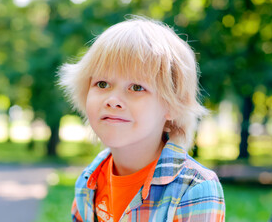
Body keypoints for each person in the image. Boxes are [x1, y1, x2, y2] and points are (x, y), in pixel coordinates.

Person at [59, 16, 225, 222]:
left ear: (172, 105)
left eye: (136, 87)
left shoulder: (195, 189)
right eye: (102, 84)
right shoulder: (88, 180)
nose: (113, 100)